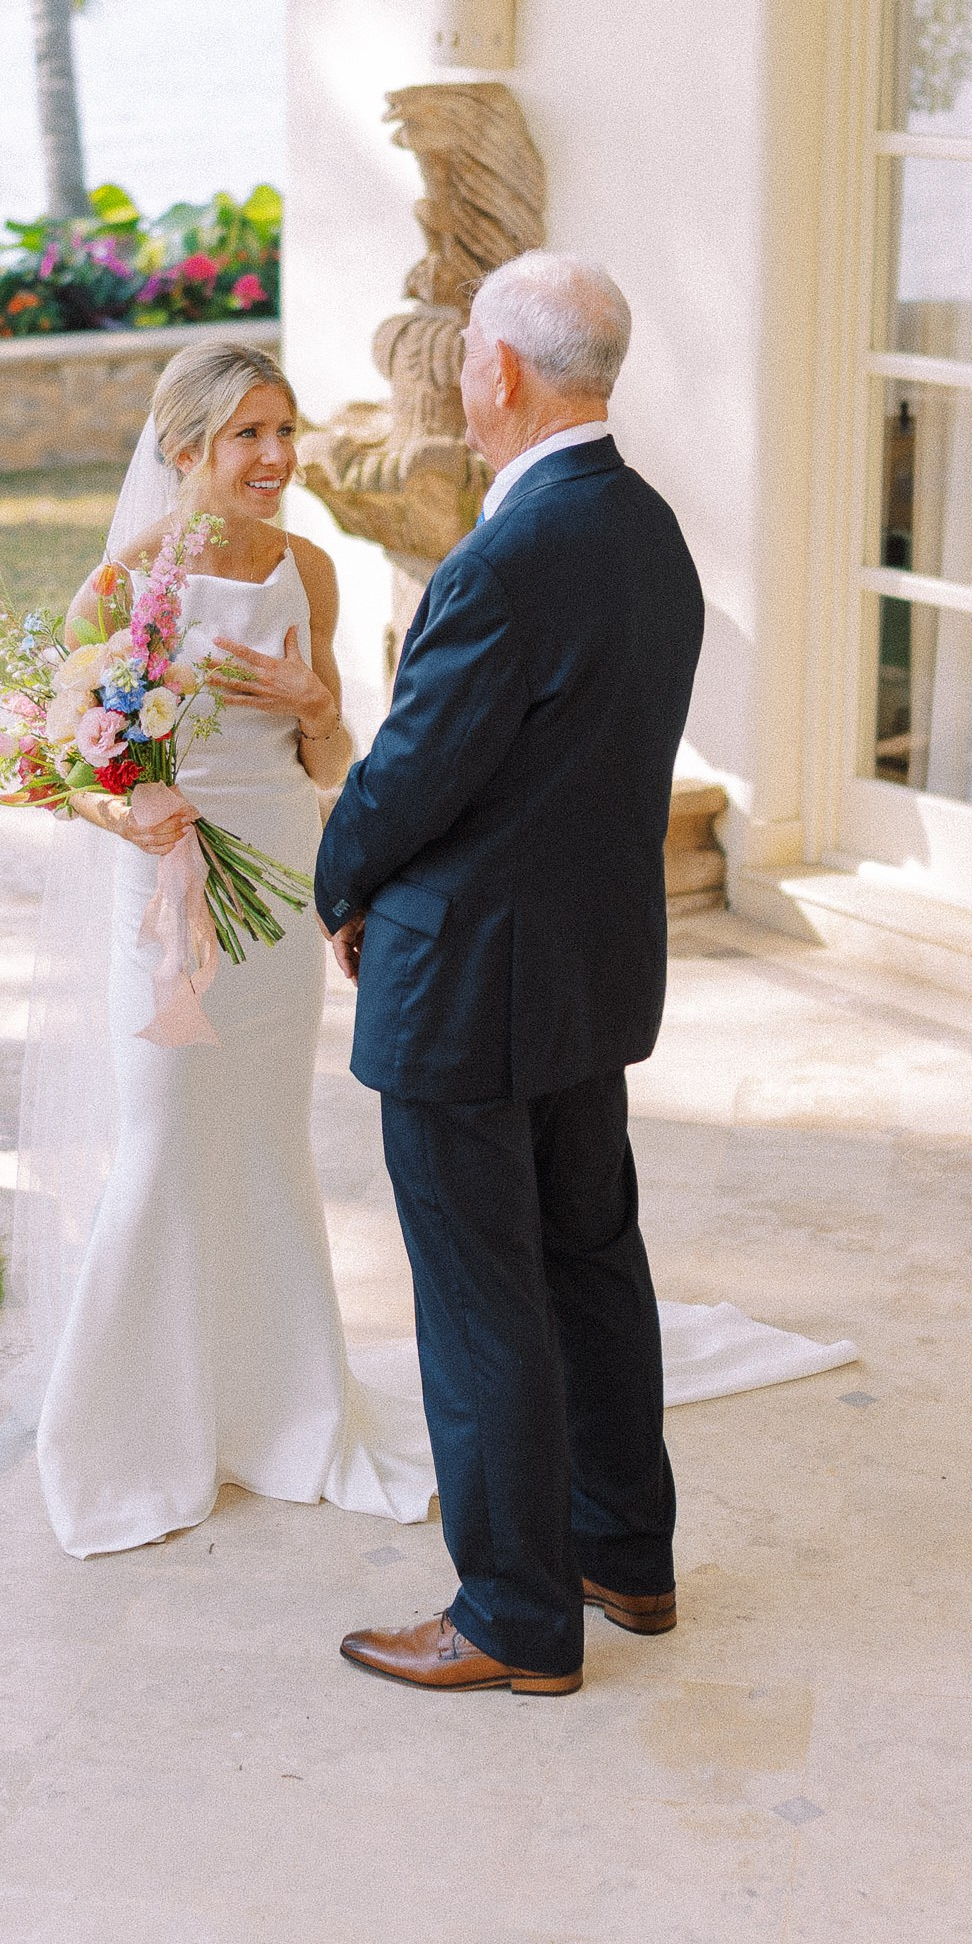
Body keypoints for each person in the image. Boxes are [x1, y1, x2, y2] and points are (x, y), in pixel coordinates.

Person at [318, 251, 705, 1696]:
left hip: (470, 987)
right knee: (592, 1265)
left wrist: (340, 879)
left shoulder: (507, 557)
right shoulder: (649, 532)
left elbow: (415, 772)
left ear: (505, 374)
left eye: (471, 347)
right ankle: (626, 1556)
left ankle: (514, 1617)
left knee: (484, 1297)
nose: (460, 369)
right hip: (583, 981)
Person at [17, 342, 435, 1558]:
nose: (273, 458)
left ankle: (277, 1409)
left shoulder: (308, 569)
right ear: (185, 449)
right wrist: (130, 810)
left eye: (283, 431)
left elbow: (330, 763)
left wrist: (316, 709)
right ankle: (123, 1432)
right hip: (168, 901)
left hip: (278, 898)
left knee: (260, 1143)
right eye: (246, 435)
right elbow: (62, 764)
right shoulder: (124, 583)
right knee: (162, 1139)